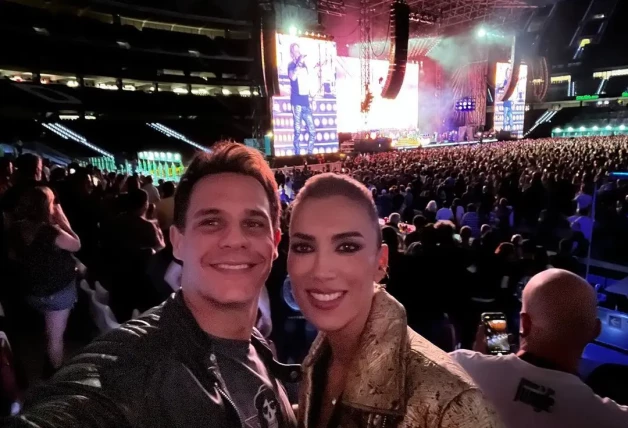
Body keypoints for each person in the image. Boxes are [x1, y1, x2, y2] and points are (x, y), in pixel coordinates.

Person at [5, 143, 298, 428]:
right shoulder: (132, 368)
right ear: (178, 242)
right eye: (211, 222)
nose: (235, 239)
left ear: (274, 243)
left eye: (254, 223)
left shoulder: (256, 344)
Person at [287, 173, 502, 428]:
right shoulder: (319, 364)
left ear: (381, 262)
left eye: (347, 247)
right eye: (303, 247)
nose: (321, 270)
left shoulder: (450, 401)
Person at [451, 269, 628, 428]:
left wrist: (479, 364)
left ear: (524, 323)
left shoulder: (460, 365)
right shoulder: (614, 419)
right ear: (595, 330)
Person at [7, 187, 80, 373]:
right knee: (56, 338)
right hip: (57, 293)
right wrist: (64, 222)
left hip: (31, 292)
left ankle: (49, 359)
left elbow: (13, 257)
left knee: (49, 328)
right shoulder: (50, 232)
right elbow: (76, 245)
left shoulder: (14, 228)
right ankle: (55, 376)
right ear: (45, 206)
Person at [288, 43, 316, 155]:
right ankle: (297, 154)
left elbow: (307, 82)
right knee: (297, 130)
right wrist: (298, 64)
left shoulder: (305, 66)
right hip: (296, 101)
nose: (298, 53)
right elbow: (292, 77)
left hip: (306, 102)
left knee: (312, 130)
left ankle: (310, 153)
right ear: (292, 53)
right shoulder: (291, 65)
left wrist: (312, 97)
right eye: (295, 51)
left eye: (299, 51)